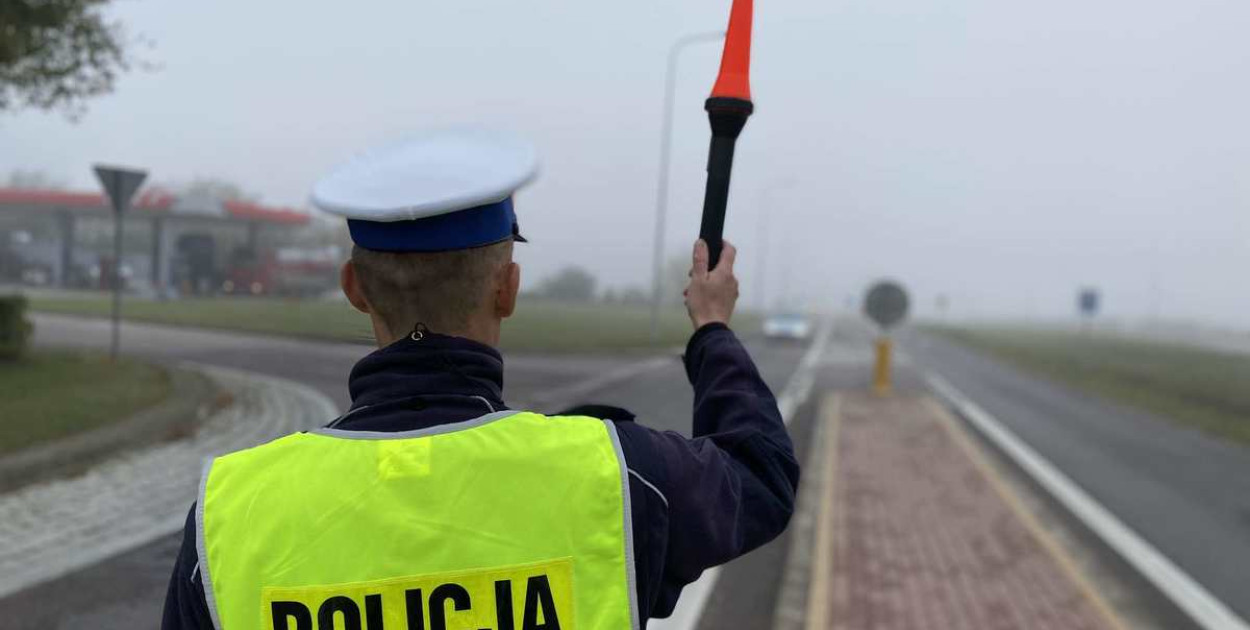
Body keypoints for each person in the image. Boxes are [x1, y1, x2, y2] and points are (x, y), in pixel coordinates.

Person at [162, 128, 799, 630]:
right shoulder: (617, 478)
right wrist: (711, 328)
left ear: (355, 290)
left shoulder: (227, 516)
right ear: (508, 288)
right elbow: (761, 473)